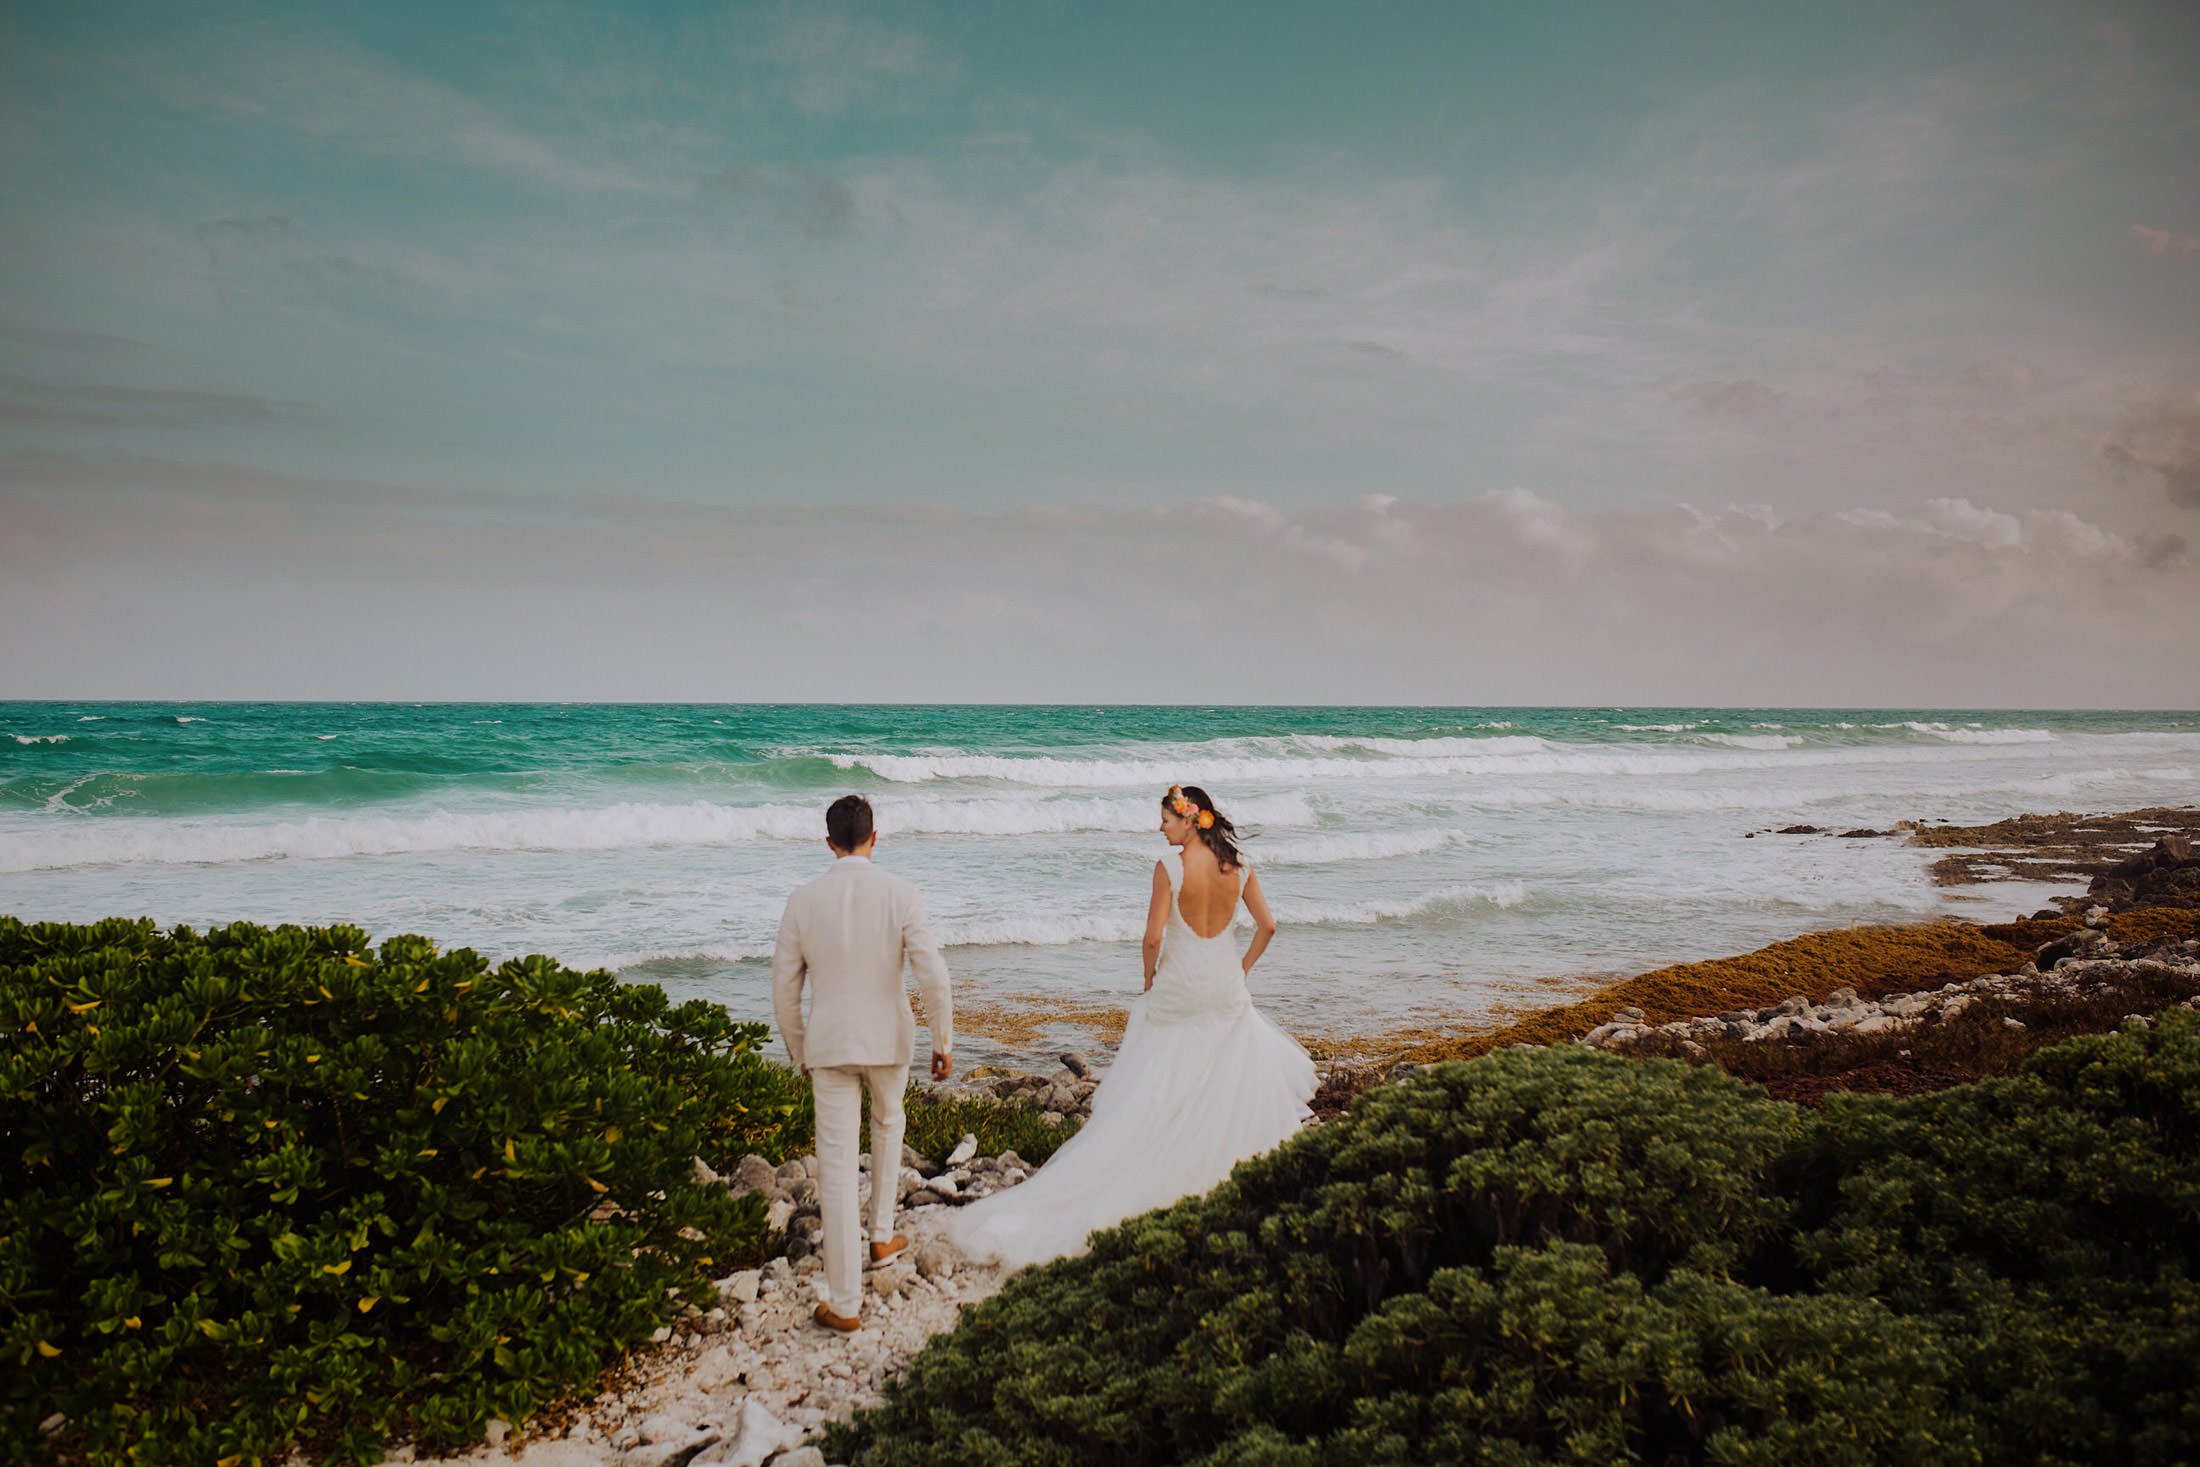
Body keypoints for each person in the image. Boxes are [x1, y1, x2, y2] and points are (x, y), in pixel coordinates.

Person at [945, 784, 1315, 1271]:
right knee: (1221, 1081)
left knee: (1159, 1084)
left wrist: (1147, 980)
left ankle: (1159, 1167)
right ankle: (1217, 1177)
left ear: (1190, 819)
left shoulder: (1170, 868)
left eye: (1166, 819)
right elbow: (1268, 926)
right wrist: (1241, 968)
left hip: (1179, 989)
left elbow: (1153, 937)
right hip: (1225, 988)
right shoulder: (1239, 865)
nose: (1160, 827)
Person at [771, 793, 953, 1333]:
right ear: (875, 837)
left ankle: (846, 1303)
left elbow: (784, 990)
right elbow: (932, 973)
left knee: (835, 1166)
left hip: (829, 1046)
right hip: (888, 1040)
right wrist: (942, 1040)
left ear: (828, 842)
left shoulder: (802, 900)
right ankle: (881, 1235)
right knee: (888, 1125)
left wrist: (799, 1050)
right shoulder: (901, 893)